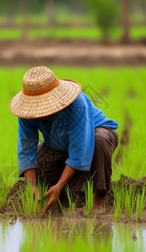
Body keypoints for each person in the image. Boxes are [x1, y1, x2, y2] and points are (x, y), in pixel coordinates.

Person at [9, 66, 118, 215]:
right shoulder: (26, 113)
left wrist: (60, 184)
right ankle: (71, 187)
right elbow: (26, 150)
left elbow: (80, 150)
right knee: (39, 165)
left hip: (93, 135)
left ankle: (98, 198)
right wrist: (32, 186)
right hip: (59, 143)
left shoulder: (77, 103)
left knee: (99, 140)